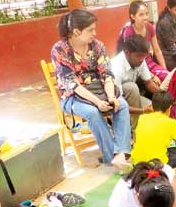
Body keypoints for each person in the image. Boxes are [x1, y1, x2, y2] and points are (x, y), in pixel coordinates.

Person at [51, 9, 131, 170]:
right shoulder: (60, 50)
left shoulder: (97, 46)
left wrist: (110, 96)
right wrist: (97, 102)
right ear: (76, 32)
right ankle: (112, 157)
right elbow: (72, 84)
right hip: (72, 96)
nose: (95, 33)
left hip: (99, 90)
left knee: (121, 105)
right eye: (90, 30)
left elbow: (107, 74)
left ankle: (121, 153)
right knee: (93, 112)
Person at [131, 90, 176, 168]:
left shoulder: (142, 118)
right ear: (169, 108)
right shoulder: (170, 122)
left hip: (137, 163)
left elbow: (136, 140)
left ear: (151, 106)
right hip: (158, 165)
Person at [110, 34, 158, 129]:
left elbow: (148, 83)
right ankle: (133, 130)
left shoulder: (140, 59)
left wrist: (165, 95)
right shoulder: (116, 68)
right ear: (127, 52)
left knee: (156, 111)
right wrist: (143, 110)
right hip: (115, 101)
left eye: (144, 56)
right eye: (138, 56)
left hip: (132, 98)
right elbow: (118, 103)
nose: (141, 59)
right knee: (131, 87)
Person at [116, 0, 169, 84]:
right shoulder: (128, 31)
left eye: (146, 14)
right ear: (133, 16)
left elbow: (157, 50)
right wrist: (151, 75)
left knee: (167, 77)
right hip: (136, 66)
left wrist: (164, 69)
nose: (145, 17)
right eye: (141, 14)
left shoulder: (150, 27)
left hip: (149, 63)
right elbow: (129, 57)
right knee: (154, 83)